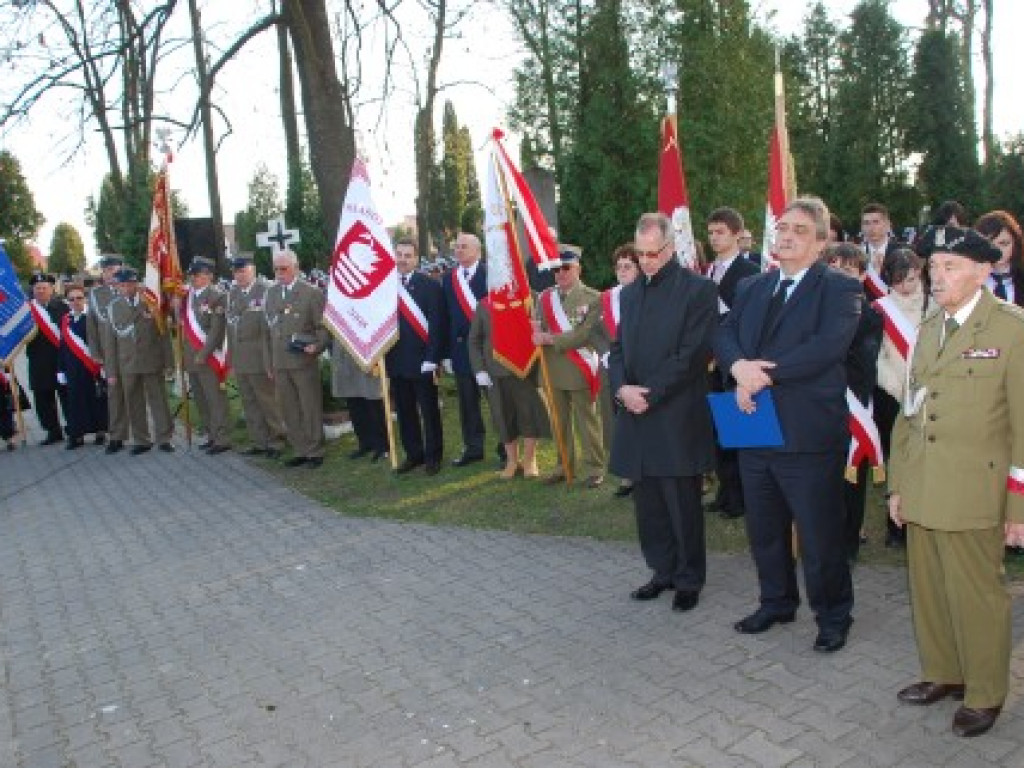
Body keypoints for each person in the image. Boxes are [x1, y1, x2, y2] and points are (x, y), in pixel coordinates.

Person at [888, 225, 1024, 738]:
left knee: (977, 595)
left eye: (950, 266)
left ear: (982, 271)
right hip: (923, 484)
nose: (936, 276)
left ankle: (985, 691)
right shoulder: (929, 326)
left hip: (974, 490)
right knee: (929, 589)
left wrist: (1019, 509)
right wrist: (899, 485)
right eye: (934, 266)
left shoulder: (1011, 330)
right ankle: (943, 672)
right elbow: (909, 413)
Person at [714, 196, 861, 653]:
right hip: (753, 425)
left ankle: (833, 615)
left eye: (799, 229)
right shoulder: (753, 287)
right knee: (764, 527)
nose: (787, 235)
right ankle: (777, 601)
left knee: (819, 536)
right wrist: (738, 368)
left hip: (807, 432)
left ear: (820, 242)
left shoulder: (839, 289)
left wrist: (762, 374)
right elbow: (723, 332)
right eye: (782, 227)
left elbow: (827, 347)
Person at [610, 212, 718, 612]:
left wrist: (649, 394)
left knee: (681, 503)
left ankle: (690, 577)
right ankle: (662, 570)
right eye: (640, 255)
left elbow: (691, 357)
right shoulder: (632, 293)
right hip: (636, 412)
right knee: (649, 502)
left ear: (671, 248)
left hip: (675, 414)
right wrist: (621, 387)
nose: (647, 262)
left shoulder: (698, 291)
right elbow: (619, 348)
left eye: (653, 254)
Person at [824, 243, 883, 561]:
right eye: (833, 268)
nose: (840, 275)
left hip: (851, 406)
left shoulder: (871, 315)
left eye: (848, 269)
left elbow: (863, 366)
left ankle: (848, 544)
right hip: (819, 408)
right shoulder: (815, 309)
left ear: (862, 276)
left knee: (851, 480)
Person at [532, 245, 605, 487]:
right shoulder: (544, 298)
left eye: (566, 268)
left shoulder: (593, 298)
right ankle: (563, 465)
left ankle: (595, 468)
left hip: (579, 367)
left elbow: (585, 333)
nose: (560, 274)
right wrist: (535, 332)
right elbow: (538, 326)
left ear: (578, 269)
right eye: (556, 270)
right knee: (558, 421)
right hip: (552, 369)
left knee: (587, 421)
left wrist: (550, 339)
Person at [874, 248, 932, 548]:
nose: (906, 287)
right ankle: (895, 528)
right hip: (893, 394)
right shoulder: (880, 309)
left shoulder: (934, 307)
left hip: (929, 395)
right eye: (898, 281)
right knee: (897, 459)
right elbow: (878, 356)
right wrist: (896, 387)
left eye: (910, 279)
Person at [706, 207, 760, 519]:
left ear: (738, 235)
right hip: (710, 362)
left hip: (736, 360)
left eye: (720, 232)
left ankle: (740, 499)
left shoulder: (750, 271)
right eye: (711, 232)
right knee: (718, 433)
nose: (714, 238)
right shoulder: (708, 270)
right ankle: (724, 493)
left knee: (738, 433)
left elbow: (746, 319)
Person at [468, 296, 550, 480]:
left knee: (528, 414)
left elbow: (541, 328)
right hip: (494, 371)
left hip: (525, 368)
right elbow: (474, 340)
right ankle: (512, 461)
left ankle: (530, 460)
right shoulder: (484, 304)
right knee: (502, 416)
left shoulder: (528, 296)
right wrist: (479, 369)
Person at [263, 248, 329, 468]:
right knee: (289, 407)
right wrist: (269, 362)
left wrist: (317, 346)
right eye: (276, 269)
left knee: (309, 406)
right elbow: (268, 332)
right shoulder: (271, 294)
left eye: (284, 269)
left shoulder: (311, 293)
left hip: (303, 360)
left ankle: (315, 450)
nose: (279, 273)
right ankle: (300, 448)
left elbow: (322, 327)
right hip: (280, 362)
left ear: (296, 268)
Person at [388, 239, 445, 476]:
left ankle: (433, 456)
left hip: (423, 361)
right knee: (404, 411)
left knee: (428, 411)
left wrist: (433, 358)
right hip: (397, 361)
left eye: (407, 255)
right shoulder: (387, 287)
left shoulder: (429, 286)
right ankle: (414, 454)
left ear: (416, 259)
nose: (402, 259)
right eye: (399, 254)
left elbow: (437, 325)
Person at [106, 267, 175, 454]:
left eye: (130, 283)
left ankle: (164, 438)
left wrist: (169, 362)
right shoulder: (113, 308)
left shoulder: (151, 302)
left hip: (152, 359)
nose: (126, 288)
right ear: (117, 286)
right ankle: (141, 440)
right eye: (122, 285)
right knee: (133, 402)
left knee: (159, 400)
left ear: (136, 284)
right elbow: (110, 343)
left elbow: (163, 335)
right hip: (127, 362)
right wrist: (111, 371)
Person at [591, 244, 640, 497]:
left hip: (640, 369)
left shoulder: (646, 295)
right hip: (612, 369)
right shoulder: (605, 298)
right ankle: (626, 475)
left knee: (640, 420)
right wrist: (606, 353)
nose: (622, 271)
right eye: (619, 267)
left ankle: (645, 472)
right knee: (617, 422)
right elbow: (594, 330)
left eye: (628, 266)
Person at [225, 255, 286, 458]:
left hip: (261, 357)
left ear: (253, 269)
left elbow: (271, 330)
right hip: (241, 358)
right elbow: (231, 329)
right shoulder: (232, 293)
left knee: (268, 401)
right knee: (249, 402)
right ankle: (259, 441)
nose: (239, 275)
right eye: (236, 272)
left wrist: (271, 360)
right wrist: (231, 359)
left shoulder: (267, 290)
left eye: (243, 271)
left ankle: (277, 440)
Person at [441, 232, 488, 466]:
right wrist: (446, 353)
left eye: (463, 247)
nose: (458, 251)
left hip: (486, 350)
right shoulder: (449, 279)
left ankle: (506, 449)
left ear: (477, 250)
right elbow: (446, 318)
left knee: (495, 401)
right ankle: (473, 447)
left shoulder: (490, 274)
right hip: (460, 350)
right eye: (456, 247)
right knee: (467, 404)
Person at [182, 257, 231, 454]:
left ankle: (222, 438)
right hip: (191, 357)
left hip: (208, 357)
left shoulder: (217, 296)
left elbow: (216, 330)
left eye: (198, 274)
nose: (194, 278)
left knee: (215, 399)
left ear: (209, 276)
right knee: (201, 400)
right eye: (192, 275)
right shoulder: (187, 297)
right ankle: (211, 434)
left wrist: (204, 353)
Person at [57, 285, 108, 449]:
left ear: (85, 299)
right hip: (72, 368)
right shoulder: (66, 320)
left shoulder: (92, 317)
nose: (75, 302)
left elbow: (102, 342)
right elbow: (63, 346)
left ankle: (100, 431)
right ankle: (76, 435)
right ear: (67, 301)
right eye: (71, 299)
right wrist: (61, 369)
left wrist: (103, 364)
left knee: (96, 400)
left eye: (79, 298)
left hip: (92, 367)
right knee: (75, 402)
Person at [86, 255, 128, 453]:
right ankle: (117, 436)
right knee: (114, 395)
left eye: (115, 269)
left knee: (136, 393)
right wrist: (95, 353)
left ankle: (142, 435)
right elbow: (92, 326)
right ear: (102, 273)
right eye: (107, 270)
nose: (111, 273)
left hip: (131, 351)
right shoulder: (95, 294)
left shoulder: (130, 288)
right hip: (109, 353)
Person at [26, 272, 69, 445]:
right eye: (37, 288)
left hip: (61, 359)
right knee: (43, 398)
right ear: (33, 290)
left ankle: (73, 426)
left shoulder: (63, 307)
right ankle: (53, 431)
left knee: (66, 395)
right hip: (38, 360)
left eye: (44, 288)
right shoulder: (27, 311)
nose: (41, 291)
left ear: (51, 289)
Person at [330, 340, 388, 462]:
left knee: (372, 401)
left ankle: (382, 446)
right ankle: (365, 443)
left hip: (365, 349)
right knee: (354, 403)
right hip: (345, 355)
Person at [974, 210, 1024, 308]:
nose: (998, 251)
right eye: (990, 244)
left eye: (1004, 243)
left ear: (1015, 244)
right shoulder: (969, 281)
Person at [860, 202, 901, 300]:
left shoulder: (902, 253)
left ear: (888, 225)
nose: (871, 228)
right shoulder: (857, 256)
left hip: (895, 311)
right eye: (866, 223)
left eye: (876, 222)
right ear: (862, 227)